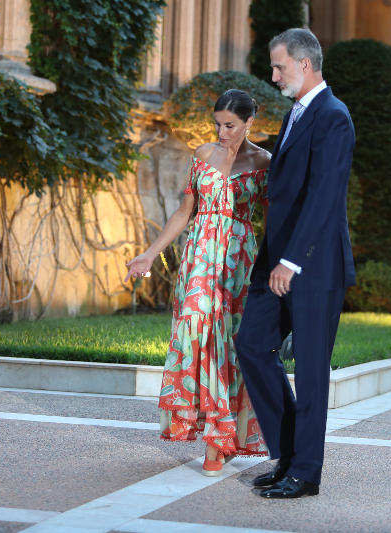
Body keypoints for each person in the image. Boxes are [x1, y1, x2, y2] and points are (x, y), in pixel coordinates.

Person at [234, 28, 356, 498]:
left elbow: (324, 198)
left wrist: (291, 261)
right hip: (277, 265)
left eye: (280, 66)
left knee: (309, 373)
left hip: (313, 268)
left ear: (305, 64)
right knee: (251, 344)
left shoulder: (334, 117)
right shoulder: (295, 114)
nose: (274, 74)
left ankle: (304, 474)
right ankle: (286, 454)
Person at [124, 89, 271, 476]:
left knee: (227, 344)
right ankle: (208, 428)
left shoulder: (265, 161)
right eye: (218, 124)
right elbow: (184, 212)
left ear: (249, 122)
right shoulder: (203, 154)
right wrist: (150, 253)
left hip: (238, 263)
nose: (222, 132)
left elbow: (276, 221)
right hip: (200, 255)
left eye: (231, 125)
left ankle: (218, 440)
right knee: (194, 334)